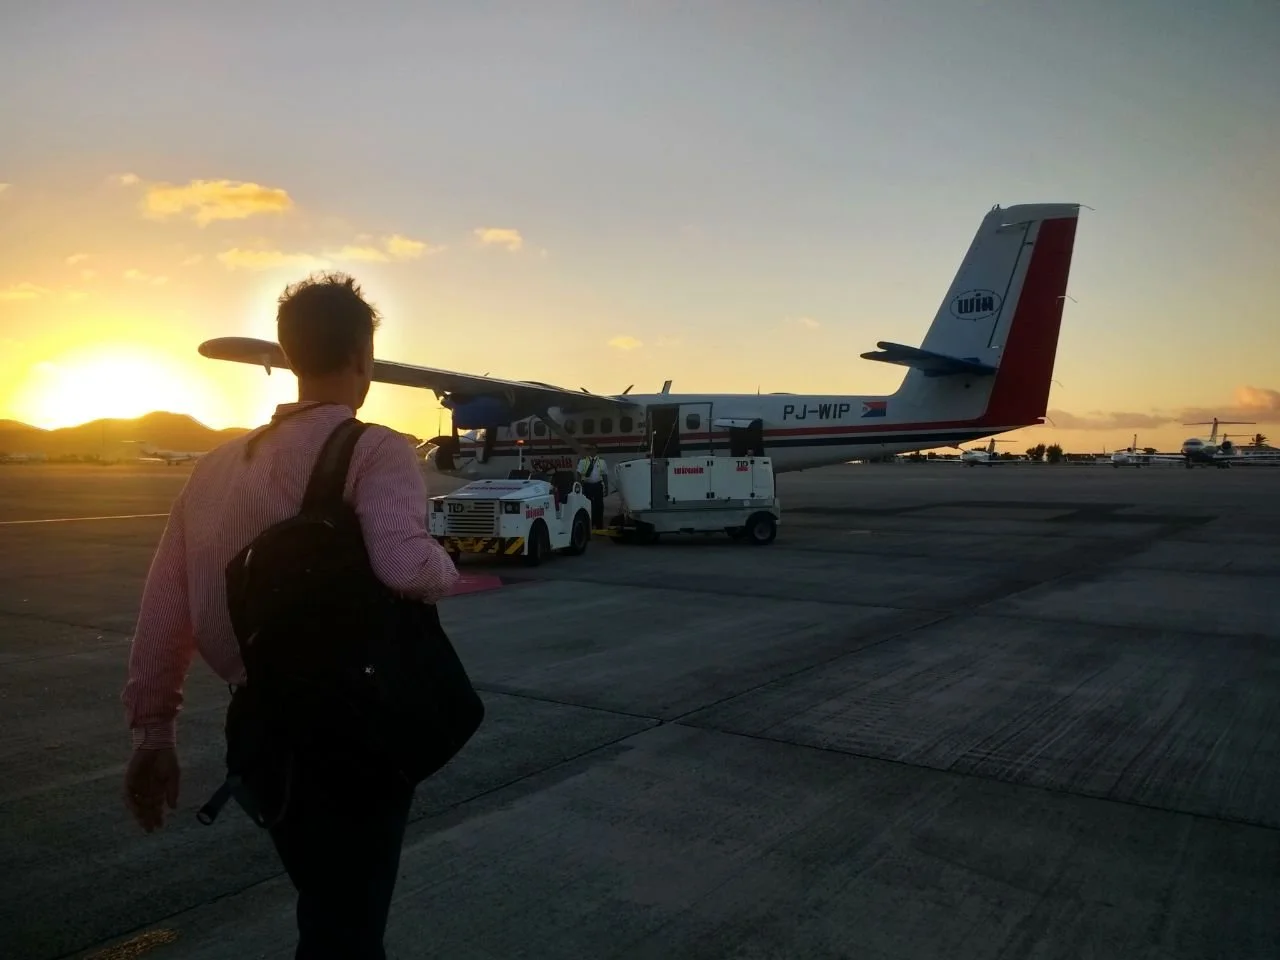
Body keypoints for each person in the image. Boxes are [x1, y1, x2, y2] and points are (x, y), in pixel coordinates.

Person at [121, 272, 459, 958]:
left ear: (289, 353)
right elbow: (407, 567)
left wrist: (154, 734)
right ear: (363, 360)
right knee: (347, 930)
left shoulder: (212, 468)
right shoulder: (376, 448)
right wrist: (448, 563)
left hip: (258, 737)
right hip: (350, 734)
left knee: (327, 906)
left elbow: (164, 611)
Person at [576, 445, 606, 528]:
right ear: (589, 451)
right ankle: (590, 524)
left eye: (594, 450)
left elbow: (604, 475)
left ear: (597, 450)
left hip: (598, 485)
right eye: (590, 450)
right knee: (589, 505)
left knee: (599, 505)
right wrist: (579, 486)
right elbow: (578, 474)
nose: (592, 451)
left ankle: (599, 525)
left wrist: (606, 487)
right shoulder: (583, 461)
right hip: (587, 486)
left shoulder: (601, 461)